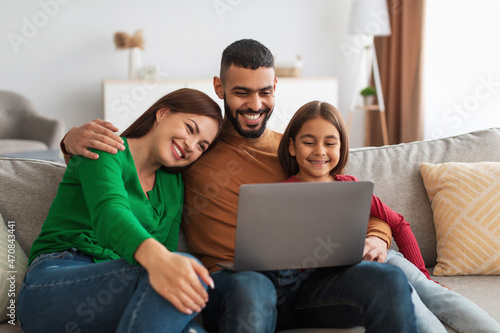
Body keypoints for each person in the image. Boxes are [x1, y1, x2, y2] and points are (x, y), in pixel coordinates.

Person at [60, 39, 417, 332]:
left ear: (276, 87)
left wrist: (377, 236)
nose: (255, 105)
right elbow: (133, 164)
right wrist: (71, 142)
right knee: (251, 285)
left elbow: (358, 203)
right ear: (220, 88)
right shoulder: (195, 149)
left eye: (264, 92)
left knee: (387, 280)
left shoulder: (297, 149)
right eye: (242, 92)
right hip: (234, 284)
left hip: (310, 284)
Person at [277, 100, 500, 333]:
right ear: (292, 147)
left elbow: (398, 223)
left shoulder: (350, 186)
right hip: (351, 276)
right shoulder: (282, 194)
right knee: (405, 292)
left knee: (437, 294)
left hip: (383, 257)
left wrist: (424, 276)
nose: (320, 151)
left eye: (330, 143)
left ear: (341, 147)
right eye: (309, 142)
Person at [17, 88, 223, 333]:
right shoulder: (104, 147)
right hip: (57, 279)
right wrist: (158, 260)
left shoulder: (173, 185)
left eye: (202, 146)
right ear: (162, 113)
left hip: (117, 294)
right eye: (190, 128)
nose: (191, 146)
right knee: (186, 271)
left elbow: (167, 252)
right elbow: (109, 212)